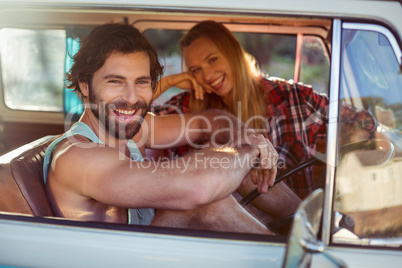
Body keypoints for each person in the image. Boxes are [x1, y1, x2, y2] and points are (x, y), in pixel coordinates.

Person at [42, 22, 296, 234]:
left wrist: (244, 135)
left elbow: (202, 122)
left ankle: (306, 221)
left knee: (225, 149)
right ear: (85, 85)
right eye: (115, 82)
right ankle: (293, 258)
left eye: (141, 82)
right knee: (204, 201)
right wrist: (250, 149)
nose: (131, 98)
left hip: (150, 246)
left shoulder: (132, 129)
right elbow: (198, 187)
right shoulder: (78, 156)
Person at [153, 20, 377, 200]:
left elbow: (363, 121)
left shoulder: (293, 97)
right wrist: (168, 82)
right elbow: (133, 121)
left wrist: (341, 177)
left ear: (233, 53)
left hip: (287, 227)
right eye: (196, 70)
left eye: (213, 60)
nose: (208, 75)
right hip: (214, 227)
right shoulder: (188, 105)